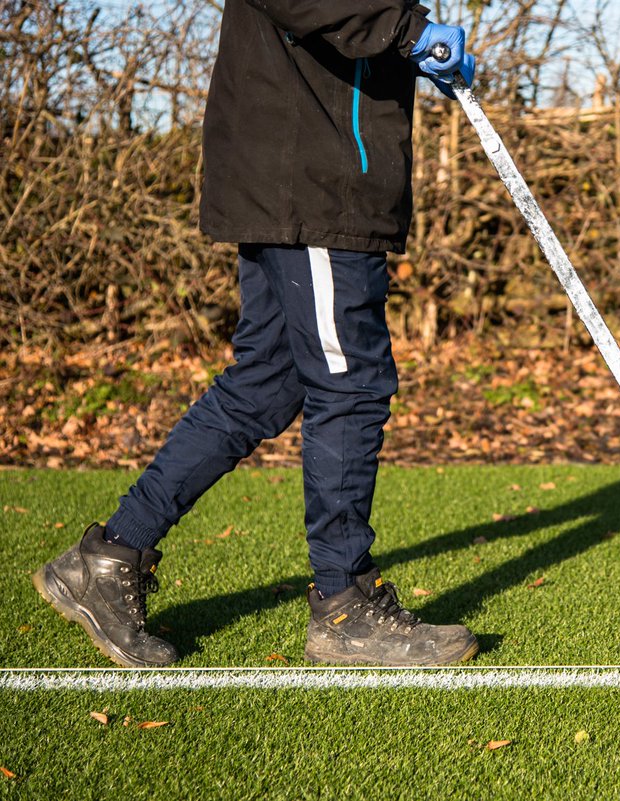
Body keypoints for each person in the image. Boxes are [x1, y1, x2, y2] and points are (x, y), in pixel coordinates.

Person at [32, 1, 479, 668]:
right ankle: (344, 604)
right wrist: (405, 28)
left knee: (265, 384)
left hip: (305, 173)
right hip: (314, 182)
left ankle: (107, 557)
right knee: (350, 382)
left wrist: (401, 36)